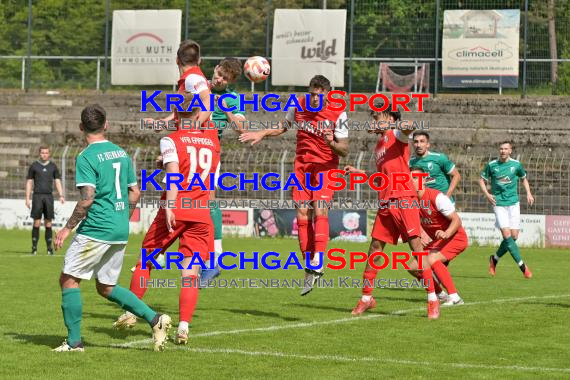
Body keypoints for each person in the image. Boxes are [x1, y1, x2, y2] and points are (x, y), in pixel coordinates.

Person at [52, 105, 171, 352]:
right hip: (118, 228)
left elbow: (87, 199)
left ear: (81, 127)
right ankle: (155, 319)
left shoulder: (86, 157)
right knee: (105, 287)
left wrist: (66, 228)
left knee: (69, 280)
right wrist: (122, 218)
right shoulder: (121, 153)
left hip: (96, 228)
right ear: (106, 125)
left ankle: (74, 343)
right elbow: (135, 192)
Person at [115, 95, 220, 345]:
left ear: (175, 113)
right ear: (198, 114)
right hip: (201, 210)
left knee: (147, 258)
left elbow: (175, 172)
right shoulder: (211, 141)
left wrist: (171, 205)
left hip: (176, 208)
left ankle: (130, 312)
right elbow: (203, 172)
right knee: (190, 271)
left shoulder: (170, 139)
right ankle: (183, 327)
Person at [240, 75, 349, 296]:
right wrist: (261, 133)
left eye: (319, 95)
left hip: (326, 167)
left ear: (328, 94)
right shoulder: (298, 104)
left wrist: (330, 142)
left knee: (320, 208)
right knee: (301, 214)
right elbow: (283, 126)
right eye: (312, 94)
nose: (314, 99)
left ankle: (318, 259)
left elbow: (345, 150)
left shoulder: (340, 112)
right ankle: (309, 268)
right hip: (302, 167)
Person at [345, 103, 432, 318]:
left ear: (390, 118)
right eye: (374, 118)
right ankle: (366, 298)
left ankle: (432, 298)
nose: (374, 121)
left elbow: (410, 125)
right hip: (385, 202)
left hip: (404, 200)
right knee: (374, 248)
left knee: (417, 249)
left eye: (378, 117)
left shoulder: (397, 136)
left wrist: (393, 126)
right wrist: (358, 172)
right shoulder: (378, 147)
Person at [410, 166, 468, 318]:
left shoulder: (437, 197)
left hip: (456, 237)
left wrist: (446, 233)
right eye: (409, 177)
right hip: (438, 242)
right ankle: (440, 294)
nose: (411, 180)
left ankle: (455, 297)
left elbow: (456, 220)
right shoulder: (412, 201)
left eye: (415, 178)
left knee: (432, 259)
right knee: (413, 267)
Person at [479, 142, 534, 278]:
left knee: (514, 236)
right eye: (501, 149)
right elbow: (481, 180)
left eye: (505, 149)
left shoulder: (516, 165)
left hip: (513, 204)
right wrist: (487, 194)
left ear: (510, 151)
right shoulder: (492, 165)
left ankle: (494, 259)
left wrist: (528, 193)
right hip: (499, 204)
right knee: (506, 234)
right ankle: (522, 266)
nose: (503, 151)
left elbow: (524, 179)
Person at [25, 146, 65, 255]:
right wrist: (27, 198)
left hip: (48, 197)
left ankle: (49, 249)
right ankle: (34, 248)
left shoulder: (53, 166)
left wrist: (61, 195)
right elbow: (29, 182)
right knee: (37, 222)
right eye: (42, 152)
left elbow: (57, 181)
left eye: (46, 153)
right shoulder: (34, 166)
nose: (44, 154)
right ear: (39, 153)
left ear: (49, 154)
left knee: (48, 223)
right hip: (37, 196)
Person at [409, 131, 461, 199]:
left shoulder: (439, 158)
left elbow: (457, 175)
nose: (419, 145)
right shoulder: (410, 163)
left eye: (422, 141)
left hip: (443, 202)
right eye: (416, 142)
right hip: (425, 203)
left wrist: (447, 196)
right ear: (413, 144)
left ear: (428, 144)